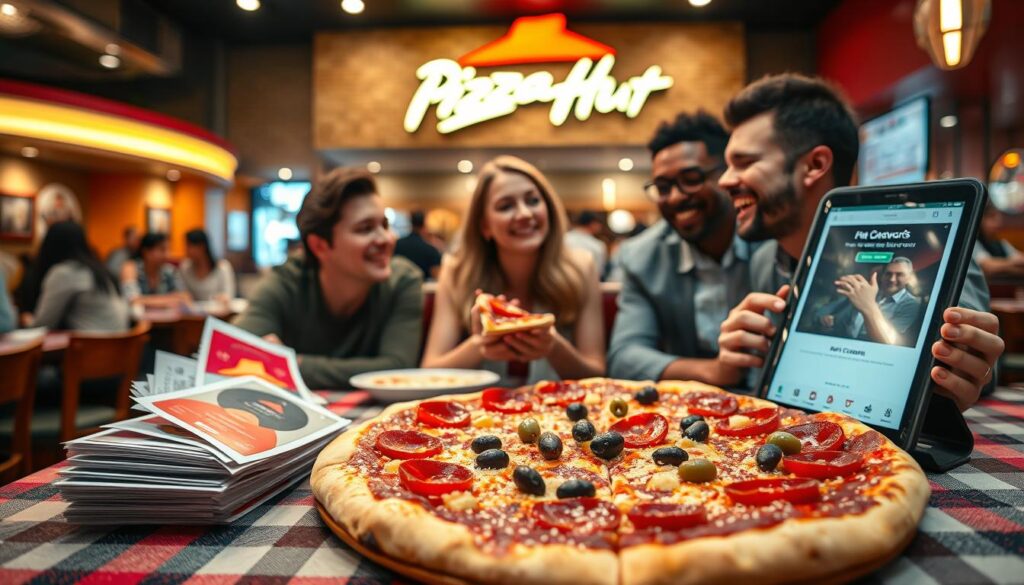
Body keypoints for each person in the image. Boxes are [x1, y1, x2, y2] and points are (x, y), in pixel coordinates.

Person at [716, 73, 1004, 411]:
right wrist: (739, 360)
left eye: (744, 162)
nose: (724, 180)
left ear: (815, 165)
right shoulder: (766, 258)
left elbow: (977, 360)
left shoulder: (926, 234)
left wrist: (970, 365)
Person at [234, 167, 423, 389]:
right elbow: (236, 350)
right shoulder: (288, 280)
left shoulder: (404, 280)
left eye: (384, 225)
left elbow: (398, 368)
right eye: (365, 228)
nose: (387, 239)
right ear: (320, 246)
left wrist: (291, 364)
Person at [421, 155, 605, 384]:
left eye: (533, 201)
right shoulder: (456, 271)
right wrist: (480, 346)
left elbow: (597, 374)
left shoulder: (582, 266)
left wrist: (554, 347)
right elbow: (429, 372)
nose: (525, 214)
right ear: (484, 225)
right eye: (506, 206)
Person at [607, 111, 753, 385]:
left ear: (727, 175)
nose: (675, 197)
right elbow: (624, 356)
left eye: (691, 178)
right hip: (685, 414)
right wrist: (715, 371)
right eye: (662, 187)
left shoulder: (769, 240)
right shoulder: (641, 257)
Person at [24, 221, 129, 331]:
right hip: (120, 344)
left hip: (93, 345)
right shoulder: (98, 269)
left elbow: (43, 325)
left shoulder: (65, 273)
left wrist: (27, 320)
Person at [823, 258, 923, 345]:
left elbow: (889, 341)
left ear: (908, 278)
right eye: (888, 274)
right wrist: (829, 320)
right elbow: (843, 319)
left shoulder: (911, 304)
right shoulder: (870, 293)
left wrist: (868, 305)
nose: (892, 279)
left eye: (899, 274)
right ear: (882, 276)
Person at [120, 232, 187, 306]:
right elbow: (132, 300)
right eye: (162, 250)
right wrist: (170, 299)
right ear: (146, 252)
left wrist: (146, 300)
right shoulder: (131, 268)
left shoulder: (169, 270)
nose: (167, 255)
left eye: (168, 250)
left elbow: (184, 297)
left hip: (166, 317)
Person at [178, 229, 237, 301]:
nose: (186, 251)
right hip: (192, 311)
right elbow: (182, 293)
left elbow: (228, 295)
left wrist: (222, 298)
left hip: (217, 310)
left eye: (189, 246)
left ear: (202, 247)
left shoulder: (223, 267)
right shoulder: (185, 267)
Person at [973, 203, 1024, 278]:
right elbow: (988, 267)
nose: (998, 223)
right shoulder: (973, 243)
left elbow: (1020, 259)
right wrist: (1013, 264)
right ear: (979, 219)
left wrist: (1003, 266)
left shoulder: (1001, 243)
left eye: (998, 218)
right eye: (992, 217)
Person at [394, 210, 442, 280]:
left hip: (397, 289)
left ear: (411, 222)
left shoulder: (397, 245)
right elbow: (437, 277)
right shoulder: (431, 250)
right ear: (424, 224)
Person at [564, 210, 607, 277]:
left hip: (562, 281)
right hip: (587, 283)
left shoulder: (563, 239)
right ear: (593, 223)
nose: (600, 227)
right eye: (599, 223)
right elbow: (598, 272)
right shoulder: (597, 245)